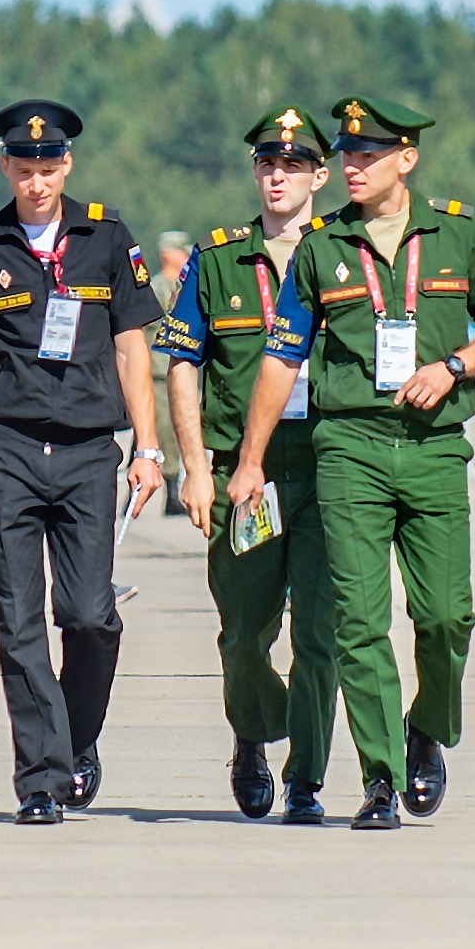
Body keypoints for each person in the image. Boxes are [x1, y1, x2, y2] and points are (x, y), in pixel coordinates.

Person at [228, 95, 475, 830]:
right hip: (349, 449)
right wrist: (250, 460)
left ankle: (428, 727)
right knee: (360, 622)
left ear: (406, 160)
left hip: (433, 449)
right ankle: (381, 777)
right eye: (347, 155)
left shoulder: (456, 236)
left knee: (446, 616)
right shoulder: (323, 249)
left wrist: (454, 365)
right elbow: (279, 356)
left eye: (367, 156)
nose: (352, 167)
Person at [0, 98, 164, 825]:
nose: (37, 182)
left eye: (49, 168)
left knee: (89, 616)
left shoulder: (106, 238)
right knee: (18, 621)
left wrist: (148, 449)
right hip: (8, 452)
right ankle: (40, 780)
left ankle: (74, 737)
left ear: (68, 164)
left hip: (90, 451)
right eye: (24, 169)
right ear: (6, 166)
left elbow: (133, 345)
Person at [154, 103, 340, 823]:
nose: (277, 176)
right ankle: (253, 735)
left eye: (293, 165)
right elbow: (181, 365)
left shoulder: (345, 255)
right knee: (244, 630)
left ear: (319, 176)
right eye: (267, 163)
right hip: (245, 475)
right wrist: (195, 465)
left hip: (328, 464)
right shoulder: (218, 260)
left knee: (321, 630)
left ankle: (307, 776)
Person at [150, 231, 193, 515]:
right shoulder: (157, 288)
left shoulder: (179, 286)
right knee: (164, 432)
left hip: (173, 372)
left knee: (172, 432)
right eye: (182, 252)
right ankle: (171, 492)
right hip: (156, 374)